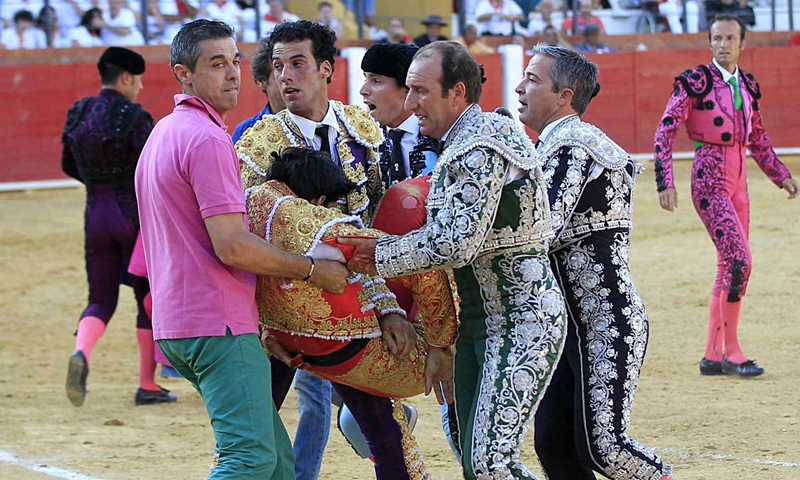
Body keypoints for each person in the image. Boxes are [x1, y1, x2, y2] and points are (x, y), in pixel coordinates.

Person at [342, 41, 567, 480]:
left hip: (523, 318)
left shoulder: (481, 143)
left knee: (489, 464)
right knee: (472, 457)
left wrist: (376, 254)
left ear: (457, 93)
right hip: (479, 323)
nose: (411, 104)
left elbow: (454, 244)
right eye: (409, 90)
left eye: (421, 91)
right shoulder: (463, 141)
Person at [135, 19, 349, 479]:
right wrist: (311, 269)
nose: (232, 73)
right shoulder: (208, 138)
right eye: (216, 64)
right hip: (219, 324)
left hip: (177, 323)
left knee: (278, 464)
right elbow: (232, 246)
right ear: (183, 74)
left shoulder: (164, 132)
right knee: (249, 459)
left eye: (234, 61)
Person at [235, 20, 429, 480]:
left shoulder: (365, 131)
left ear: (326, 68)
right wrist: (258, 326)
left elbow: (376, 230)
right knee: (247, 439)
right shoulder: (256, 145)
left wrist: (388, 309)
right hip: (281, 318)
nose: (285, 76)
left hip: (354, 311)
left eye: (297, 64)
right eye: (278, 66)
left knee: (388, 438)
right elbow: (242, 240)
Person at [515, 44, 675, 480]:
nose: (519, 87)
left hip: (606, 322)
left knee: (604, 448)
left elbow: (541, 228)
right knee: (554, 445)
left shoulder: (573, 145)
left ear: (563, 96)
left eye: (532, 79)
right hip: (568, 326)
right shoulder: (554, 146)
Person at [654, 15, 798, 377]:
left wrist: (780, 174)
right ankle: (732, 352)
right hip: (709, 177)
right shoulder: (695, 81)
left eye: (731, 38)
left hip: (739, 179)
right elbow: (666, 130)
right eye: (717, 38)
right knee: (739, 261)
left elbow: (758, 137)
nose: (724, 44)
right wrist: (665, 180)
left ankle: (711, 355)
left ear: (742, 44)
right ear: (710, 42)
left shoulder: (747, 84)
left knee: (728, 264)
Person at [61, 47, 171, 407]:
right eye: (137, 81)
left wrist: (97, 184)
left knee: (100, 299)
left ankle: (81, 351)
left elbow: (68, 164)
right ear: (126, 78)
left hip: (95, 214)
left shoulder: (78, 112)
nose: (140, 88)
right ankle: (146, 384)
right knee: (145, 298)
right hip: (132, 217)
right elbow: (153, 169)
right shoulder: (136, 117)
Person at [359, 42, 439, 189]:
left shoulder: (440, 135)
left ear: (407, 89)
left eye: (376, 81)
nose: (363, 90)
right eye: (365, 79)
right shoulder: (362, 140)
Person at [232, 36, 285, 143]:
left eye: (297, 65)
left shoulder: (319, 123)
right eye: (278, 68)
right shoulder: (245, 132)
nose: (288, 75)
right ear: (261, 82)